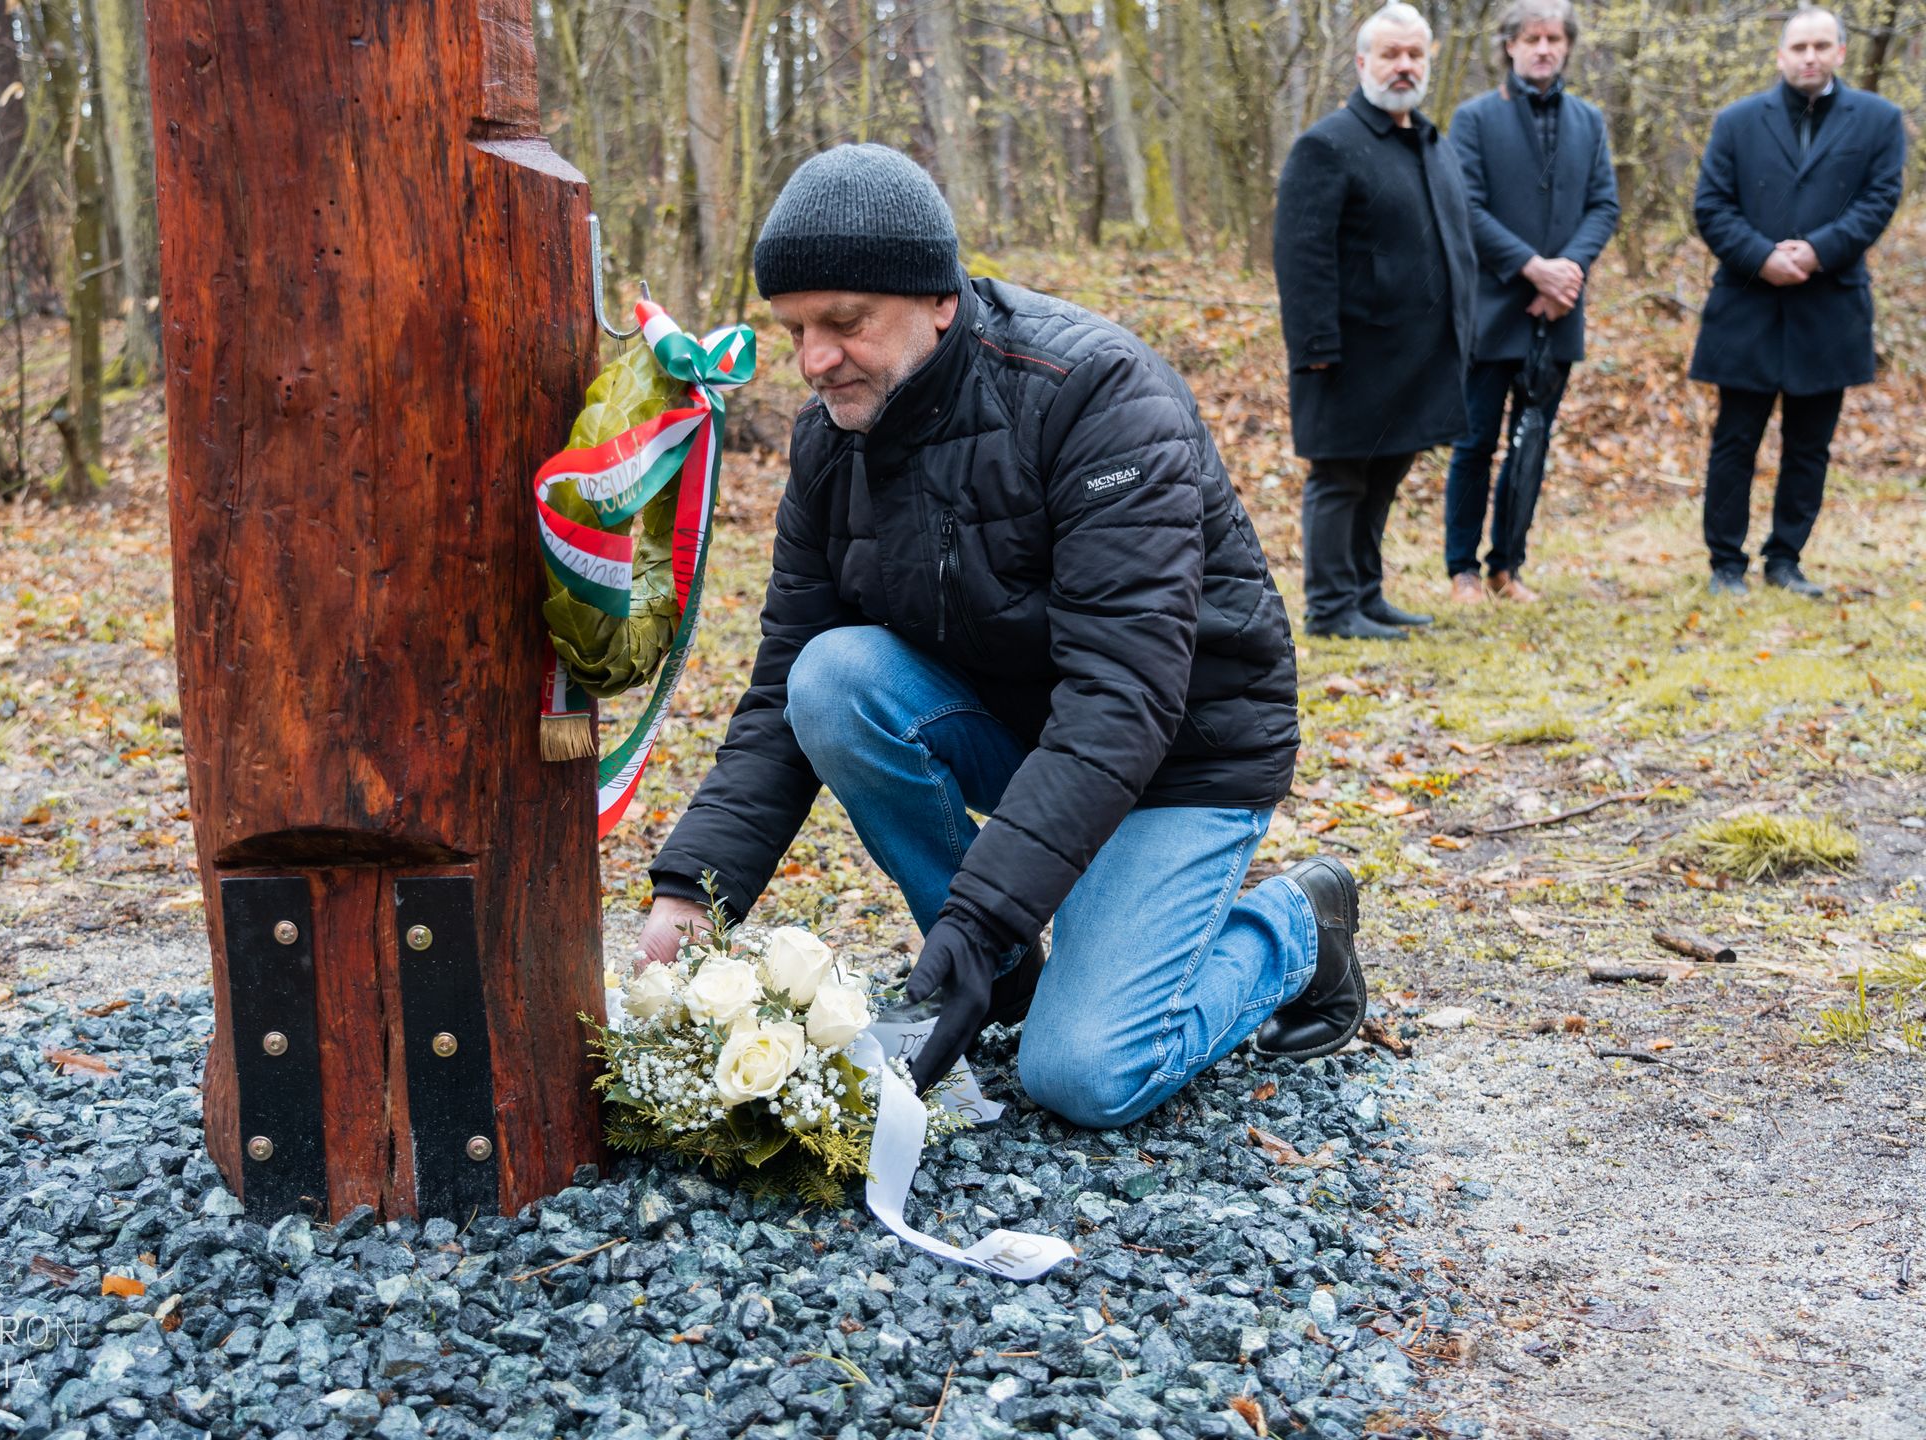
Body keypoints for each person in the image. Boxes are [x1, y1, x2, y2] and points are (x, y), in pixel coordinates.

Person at [634, 144, 1370, 1127]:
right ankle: (1004, 975)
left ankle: (1296, 930)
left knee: (1086, 1075)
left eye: (844, 324)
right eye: (795, 329)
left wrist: (979, 917)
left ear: (937, 300)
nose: (812, 361)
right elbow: (779, 689)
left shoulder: (1094, 397)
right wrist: (693, 887)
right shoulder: (829, 441)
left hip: (1182, 753)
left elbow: (1122, 700)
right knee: (829, 678)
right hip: (1019, 733)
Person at [1274, 2, 1477, 642]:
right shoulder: (1327, 144)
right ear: (1362, 62)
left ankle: (1367, 594)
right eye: (1390, 54)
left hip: (1416, 354)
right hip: (1347, 351)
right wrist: (1315, 347)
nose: (1403, 65)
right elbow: (1301, 253)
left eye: (1414, 54)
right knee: (1341, 477)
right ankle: (1331, 608)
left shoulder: (1427, 141)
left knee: (1386, 472)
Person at [1689, 6, 1905, 598]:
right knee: (1735, 440)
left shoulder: (1879, 120)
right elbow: (1710, 206)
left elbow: (1880, 198)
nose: (1809, 56)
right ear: (1781, 55)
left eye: (1821, 46)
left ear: (1840, 52)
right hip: (1747, 303)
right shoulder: (1736, 122)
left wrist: (1815, 251)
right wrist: (1762, 257)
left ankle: (1785, 560)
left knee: (1809, 444)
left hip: (1828, 306)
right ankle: (1725, 565)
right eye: (1799, 47)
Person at [1442, 0, 1618, 604]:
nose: (1543, 48)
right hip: (1494, 308)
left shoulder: (1589, 121)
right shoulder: (1474, 119)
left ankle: (1506, 566)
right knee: (1475, 443)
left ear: (1567, 46)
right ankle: (1461, 568)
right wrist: (1532, 269)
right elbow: (1466, 207)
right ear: (1509, 45)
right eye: (1531, 37)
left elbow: (1604, 206)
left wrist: (1566, 274)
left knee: (1533, 441)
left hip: (1560, 311)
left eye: (1553, 38)